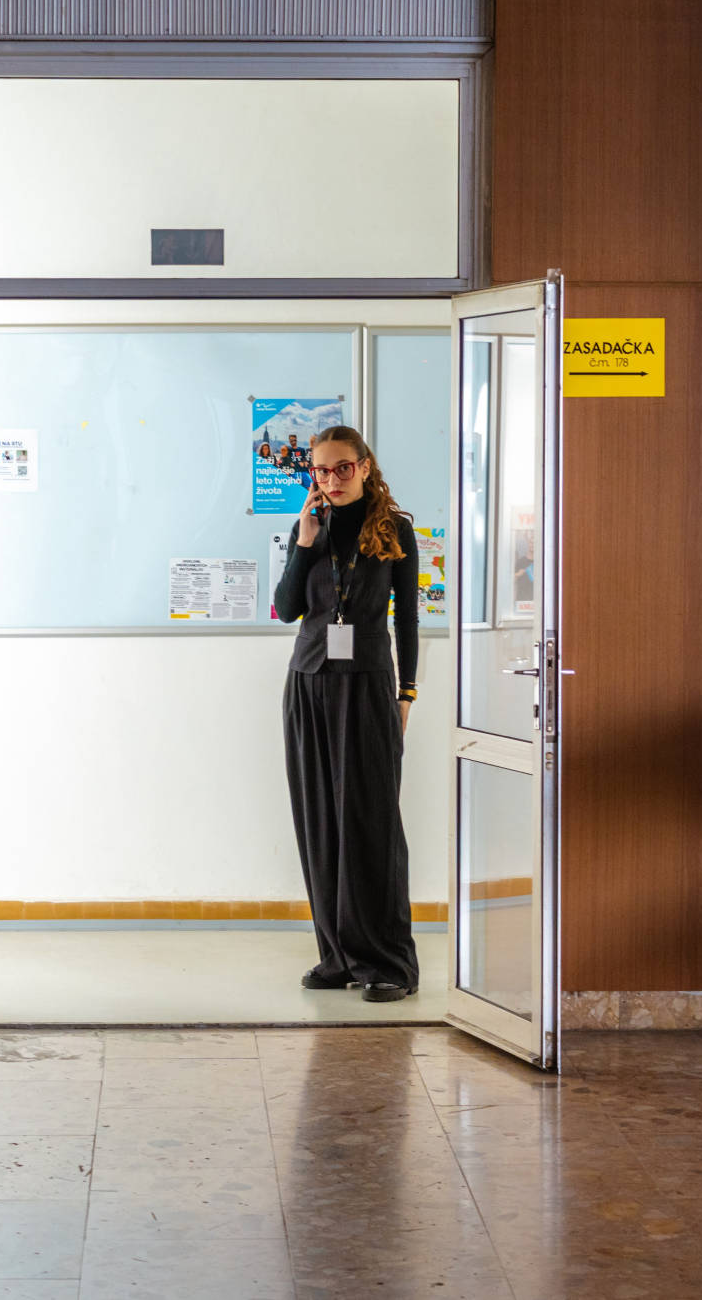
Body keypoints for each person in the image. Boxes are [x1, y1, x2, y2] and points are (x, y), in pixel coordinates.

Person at [273, 426, 421, 1003]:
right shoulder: (308, 527)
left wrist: (406, 693)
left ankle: (389, 965)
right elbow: (287, 608)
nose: (331, 479)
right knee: (319, 821)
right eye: (321, 470)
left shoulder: (395, 529)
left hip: (366, 686)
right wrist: (305, 542)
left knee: (371, 823)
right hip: (309, 684)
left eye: (342, 468)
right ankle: (337, 957)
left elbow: (406, 620)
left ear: (363, 467)